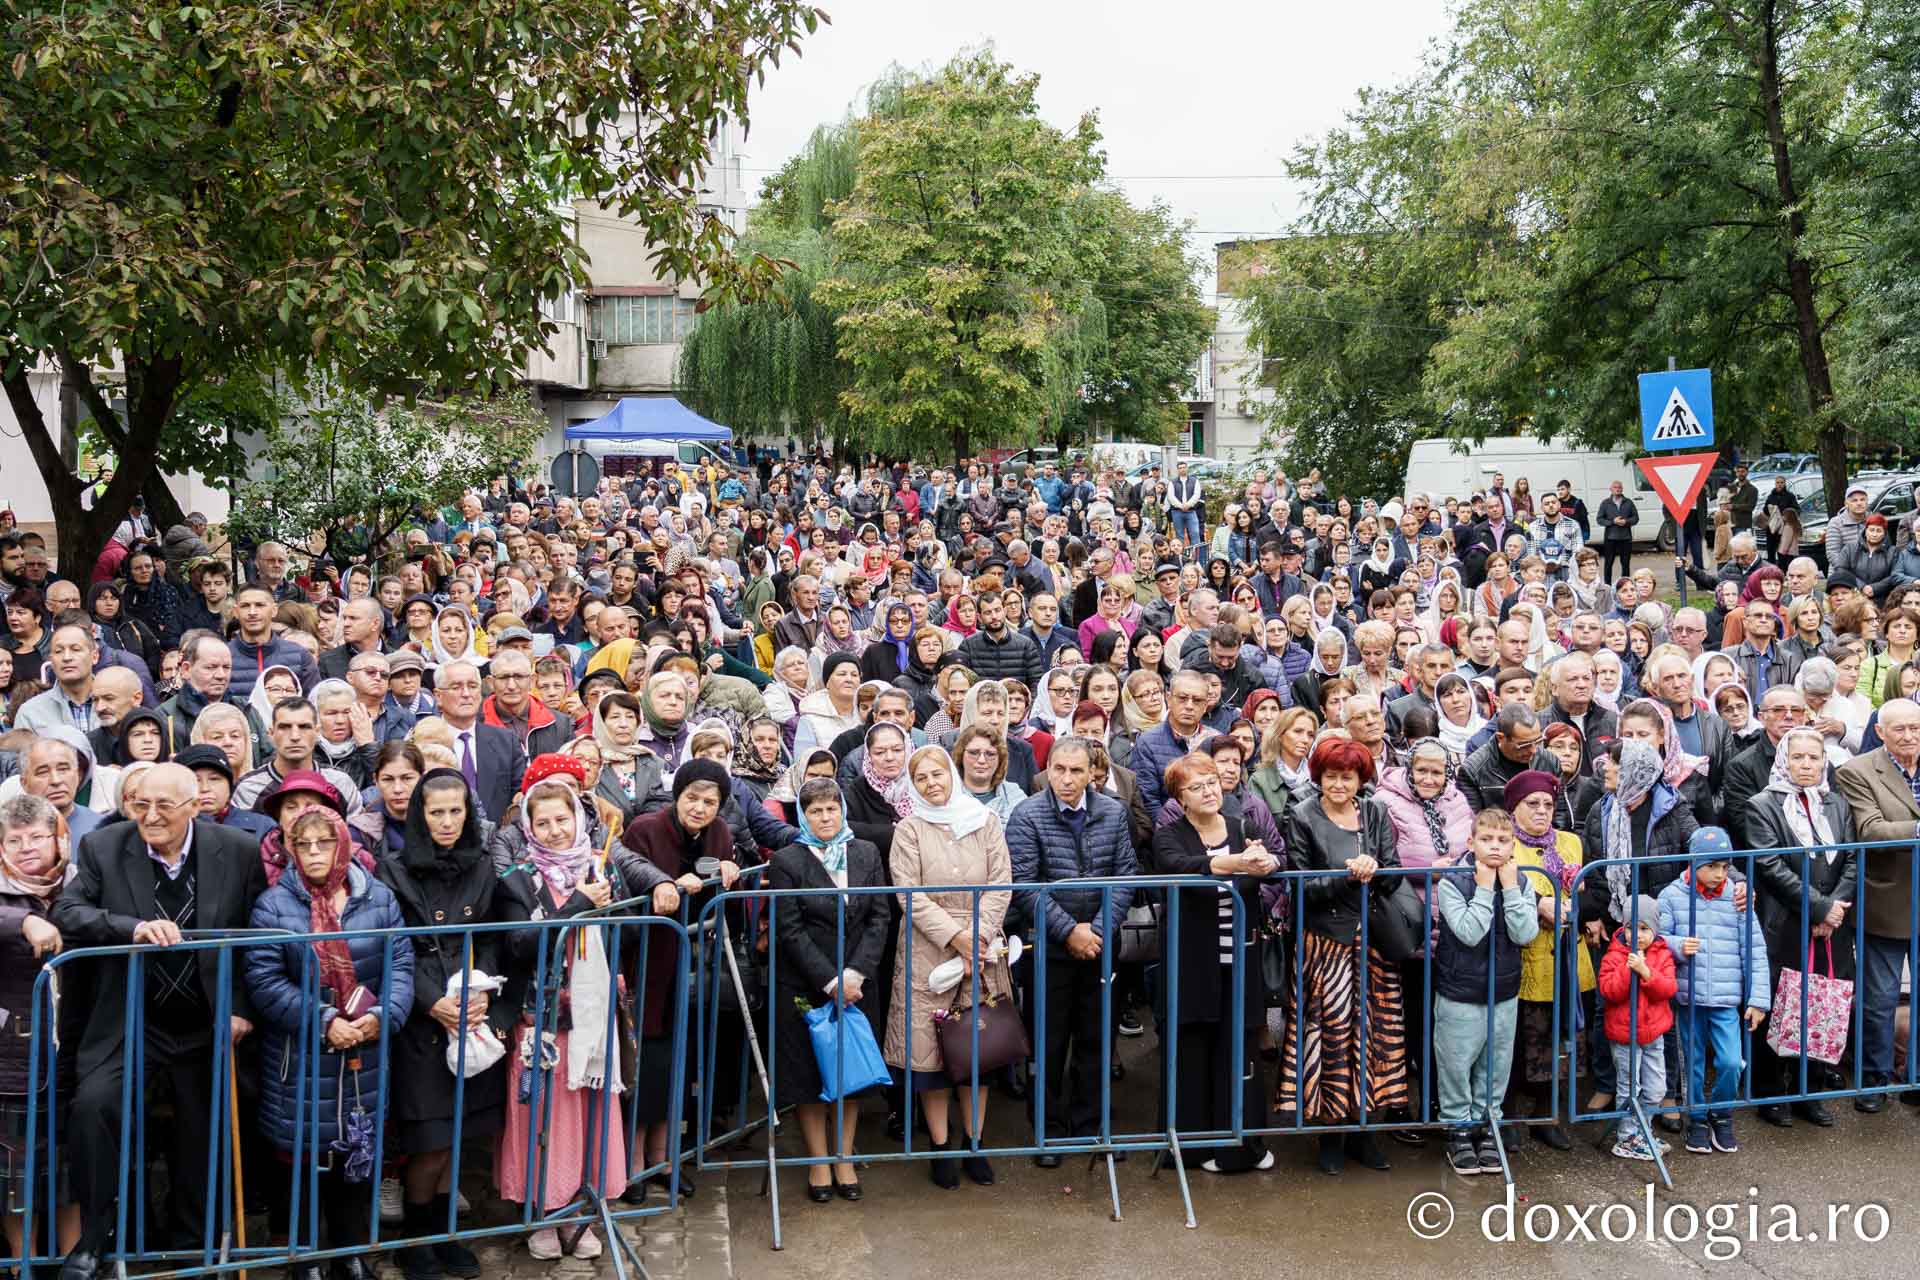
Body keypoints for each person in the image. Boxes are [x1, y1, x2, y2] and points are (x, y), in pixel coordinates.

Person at [53, 763, 269, 1280]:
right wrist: (131, 927)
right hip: (131, 1020)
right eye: (139, 805)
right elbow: (68, 910)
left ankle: (195, 1247)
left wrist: (240, 1006)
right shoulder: (105, 848)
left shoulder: (236, 851)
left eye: (164, 807)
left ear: (196, 805)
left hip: (206, 1019)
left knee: (205, 1128)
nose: (149, 817)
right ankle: (96, 1234)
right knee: (94, 1107)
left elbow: (254, 936)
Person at [245, 806, 413, 1280]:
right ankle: (306, 1256)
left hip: (365, 1055)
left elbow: (400, 964)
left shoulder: (378, 899)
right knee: (301, 1160)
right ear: (291, 851)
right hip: (301, 1059)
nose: (315, 853)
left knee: (355, 1159)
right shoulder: (274, 905)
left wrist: (383, 1015)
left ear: (342, 845)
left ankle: (350, 1252)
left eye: (324, 843)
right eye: (304, 845)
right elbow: (264, 979)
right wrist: (322, 1019)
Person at [495, 780, 661, 1259]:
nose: (554, 830)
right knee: (543, 1115)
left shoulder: (601, 863)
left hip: (594, 1012)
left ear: (579, 819)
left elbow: (629, 936)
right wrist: (581, 904)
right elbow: (522, 943)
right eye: (542, 822)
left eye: (562, 820)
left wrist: (612, 912)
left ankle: (580, 1212)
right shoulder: (517, 878)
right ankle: (543, 1215)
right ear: (528, 825)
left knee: (590, 1113)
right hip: (543, 1016)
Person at [374, 769, 521, 1280]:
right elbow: (391, 946)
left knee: (457, 1135)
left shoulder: (483, 865)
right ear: (419, 814)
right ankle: (414, 1242)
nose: (446, 821)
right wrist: (431, 1001)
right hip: (423, 1018)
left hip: (471, 1007)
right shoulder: (392, 869)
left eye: (455, 810)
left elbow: (499, 935)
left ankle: (442, 1234)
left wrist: (486, 991)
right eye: (435, 811)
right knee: (429, 1140)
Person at [1278, 738, 1408, 1175]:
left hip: (1373, 941)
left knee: (1375, 1037)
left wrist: (1376, 870)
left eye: (1347, 776)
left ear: (1361, 779)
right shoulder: (1301, 815)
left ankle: (1365, 1132)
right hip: (1326, 943)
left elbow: (1392, 873)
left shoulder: (1375, 812)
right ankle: (1330, 1135)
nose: (1338, 784)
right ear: (1318, 777)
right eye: (1330, 776)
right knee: (1331, 1040)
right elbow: (1298, 887)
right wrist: (1347, 879)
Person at [887, 745, 1014, 1189]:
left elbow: (1001, 883)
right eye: (920, 778)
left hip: (980, 949)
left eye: (937, 773)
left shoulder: (985, 821)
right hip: (929, 949)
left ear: (951, 774)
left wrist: (978, 935)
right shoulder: (909, 829)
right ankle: (941, 1146)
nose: (931, 783)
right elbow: (907, 893)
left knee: (976, 1050)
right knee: (933, 1058)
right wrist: (955, 936)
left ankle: (974, 1143)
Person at [1004, 738, 1135, 1164]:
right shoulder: (1027, 814)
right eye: (1059, 769)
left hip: (1101, 945)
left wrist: (1095, 931)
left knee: (1096, 1039)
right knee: (1049, 1041)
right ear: (1048, 768)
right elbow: (1023, 883)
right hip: (1049, 947)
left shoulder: (1113, 812)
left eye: (1076, 771)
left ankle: (1093, 1127)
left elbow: (1125, 876)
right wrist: (1068, 932)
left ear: (1092, 773)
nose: (1066, 778)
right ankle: (1049, 1130)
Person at [1149, 752, 1278, 1174]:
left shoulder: (1244, 827)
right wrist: (1237, 863)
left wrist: (1270, 863)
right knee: (1193, 1048)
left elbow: (1274, 865)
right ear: (1180, 798)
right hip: (1192, 961)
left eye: (1212, 782)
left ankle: (1242, 1146)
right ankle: (1190, 1145)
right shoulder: (1169, 834)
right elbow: (1181, 867)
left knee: (1238, 1050)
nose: (1208, 791)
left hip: (1240, 956)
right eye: (1196, 787)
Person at [617, 760, 738, 1192]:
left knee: (679, 1061)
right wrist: (664, 886)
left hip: (690, 966)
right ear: (678, 795)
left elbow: (725, 903)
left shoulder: (720, 834)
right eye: (692, 798)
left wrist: (729, 876)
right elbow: (624, 899)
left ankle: (664, 1161)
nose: (700, 809)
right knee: (645, 1064)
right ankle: (632, 1164)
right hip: (647, 963)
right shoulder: (645, 830)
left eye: (710, 802)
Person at [767, 778, 890, 1203]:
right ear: (803, 815)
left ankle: (844, 1158)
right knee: (809, 1077)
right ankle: (817, 1162)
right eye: (816, 811)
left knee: (850, 1075)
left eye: (831, 809)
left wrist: (856, 973)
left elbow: (879, 915)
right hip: (806, 983)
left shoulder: (865, 852)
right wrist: (830, 979)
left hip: (857, 985)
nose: (825, 818)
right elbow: (789, 928)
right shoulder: (787, 860)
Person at [1742, 726, 1855, 1127]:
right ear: (1783, 760)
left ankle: (1812, 1091)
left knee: (1822, 1007)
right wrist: (1819, 907)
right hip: (1785, 923)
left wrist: (1834, 909)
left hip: (1832, 927)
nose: (1806, 765)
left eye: (1814, 758)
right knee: (1780, 1006)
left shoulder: (1836, 804)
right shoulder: (1762, 805)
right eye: (1798, 757)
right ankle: (1772, 1094)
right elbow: (1770, 865)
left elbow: (1852, 858)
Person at [1432, 807, 1539, 1176]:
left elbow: (1526, 933)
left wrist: (1509, 888)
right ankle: (1459, 1130)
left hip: (1503, 990)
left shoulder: (1521, 881)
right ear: (1471, 842)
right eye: (1487, 839)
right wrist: (1483, 887)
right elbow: (1469, 931)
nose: (1495, 847)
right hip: (1460, 991)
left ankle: (1487, 1125)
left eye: (1503, 840)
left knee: (1495, 1065)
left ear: (1513, 845)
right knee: (1457, 1063)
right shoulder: (1452, 881)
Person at [0, 794, 82, 1262]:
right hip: (12, 1049)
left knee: (68, 1167)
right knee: (14, 1170)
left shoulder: (78, 883)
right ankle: (22, 1263)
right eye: (15, 839)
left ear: (59, 839)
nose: (28, 847)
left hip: (71, 1047)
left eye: (37, 837)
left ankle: (74, 1262)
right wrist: (24, 919)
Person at [1657, 827, 1770, 1156]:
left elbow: (1754, 949)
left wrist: (1758, 999)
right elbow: (1657, 941)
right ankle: (1696, 1118)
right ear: (1694, 863)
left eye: (1724, 866)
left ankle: (1721, 1114)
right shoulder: (1671, 896)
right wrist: (1678, 946)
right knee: (1690, 1062)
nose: (1719, 874)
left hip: (1725, 1000)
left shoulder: (1736, 896)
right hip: (1687, 999)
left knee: (1732, 1062)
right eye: (1712, 866)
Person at [1832, 697, 1920, 1111]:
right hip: (1887, 902)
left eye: (1916, 727)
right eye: (1900, 729)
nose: (1910, 735)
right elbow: (1871, 830)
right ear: (1880, 732)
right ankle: (1873, 1081)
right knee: (1880, 1001)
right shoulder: (1858, 770)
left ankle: (1916, 1076)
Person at [1597, 894, 1678, 1161]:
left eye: (1645, 929)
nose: (1638, 935)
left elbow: (1667, 989)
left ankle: (1642, 1130)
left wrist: (1645, 972)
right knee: (1628, 1087)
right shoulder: (1615, 954)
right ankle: (1627, 1137)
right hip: (1625, 1036)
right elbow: (1609, 990)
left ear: (1654, 929)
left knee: (1656, 1087)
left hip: (1653, 1034)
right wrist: (1627, 969)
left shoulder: (1662, 953)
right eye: (1632, 927)